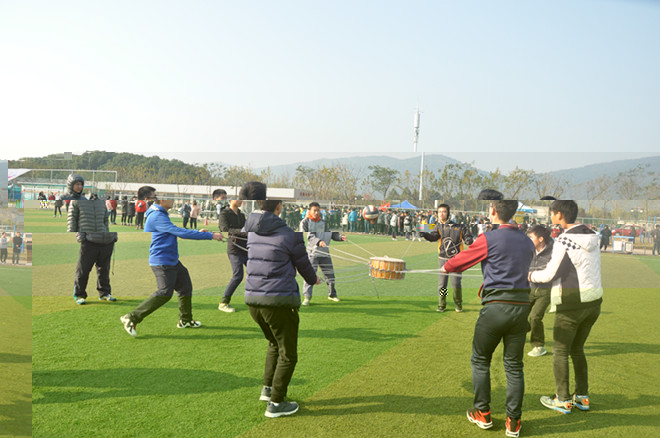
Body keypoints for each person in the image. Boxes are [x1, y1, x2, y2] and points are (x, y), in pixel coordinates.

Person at [442, 200, 534, 438]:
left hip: (496, 307)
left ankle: (482, 413)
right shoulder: (526, 240)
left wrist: (446, 268)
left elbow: (457, 262)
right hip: (522, 307)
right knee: (514, 366)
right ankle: (514, 421)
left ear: (493, 211)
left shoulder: (489, 238)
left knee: (480, 359)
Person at [240, 181, 320, 418]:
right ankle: (276, 402)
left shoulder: (251, 231)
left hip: (254, 300)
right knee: (288, 353)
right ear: (279, 207)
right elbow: (304, 265)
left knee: (274, 344)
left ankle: (268, 390)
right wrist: (314, 279)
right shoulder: (289, 234)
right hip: (278, 301)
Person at [529, 200, 603, 415]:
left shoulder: (564, 240)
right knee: (577, 350)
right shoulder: (593, 236)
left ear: (559, 214)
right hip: (594, 303)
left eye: (551, 213)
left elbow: (551, 274)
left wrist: (530, 275)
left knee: (560, 351)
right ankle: (582, 397)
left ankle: (562, 399)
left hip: (572, 304)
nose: (550, 217)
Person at [120, 186, 223, 337]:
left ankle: (185, 320)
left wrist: (197, 232)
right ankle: (132, 317)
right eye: (170, 197)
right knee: (165, 293)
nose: (173, 200)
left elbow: (174, 230)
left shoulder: (160, 214)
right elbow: (180, 233)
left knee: (185, 286)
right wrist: (210, 236)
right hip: (162, 262)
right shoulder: (156, 216)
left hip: (171, 260)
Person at [64, 173, 118, 304]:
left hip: (106, 241)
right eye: (77, 184)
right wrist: (80, 236)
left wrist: (112, 236)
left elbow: (105, 222)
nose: (80, 186)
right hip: (89, 241)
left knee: (104, 269)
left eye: (81, 184)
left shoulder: (102, 204)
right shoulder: (76, 201)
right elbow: (72, 220)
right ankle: (79, 294)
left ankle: (104, 293)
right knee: (83, 270)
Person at [420, 204, 474, 313]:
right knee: (442, 285)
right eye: (439, 212)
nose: (441, 214)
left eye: (444, 211)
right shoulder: (438, 226)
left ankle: (458, 304)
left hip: (457, 259)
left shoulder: (459, 226)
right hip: (442, 259)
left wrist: (468, 240)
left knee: (456, 284)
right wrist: (425, 234)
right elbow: (434, 237)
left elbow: (468, 238)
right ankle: (442, 304)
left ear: (448, 213)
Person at [300, 201, 347, 305]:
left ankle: (332, 294)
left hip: (325, 253)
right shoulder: (306, 222)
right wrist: (318, 241)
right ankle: (307, 297)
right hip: (313, 253)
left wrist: (340, 237)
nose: (316, 213)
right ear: (310, 211)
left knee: (330, 275)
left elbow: (330, 234)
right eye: (314, 210)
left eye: (318, 210)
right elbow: (310, 236)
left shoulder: (323, 222)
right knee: (310, 275)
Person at [526, 224, 554, 357]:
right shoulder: (529, 249)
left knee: (534, 317)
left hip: (546, 291)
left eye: (531, 237)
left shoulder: (554, 251)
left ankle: (539, 346)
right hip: (529, 289)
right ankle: (519, 335)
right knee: (519, 313)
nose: (528, 240)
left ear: (541, 239)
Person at [217, 198, 247, 312]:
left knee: (257, 271)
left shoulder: (242, 215)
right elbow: (224, 229)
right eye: (238, 198)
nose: (240, 201)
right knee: (238, 275)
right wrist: (243, 232)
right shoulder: (224, 214)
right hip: (234, 249)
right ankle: (223, 302)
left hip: (246, 248)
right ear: (230, 199)